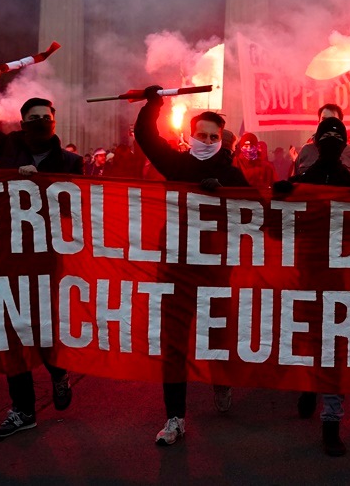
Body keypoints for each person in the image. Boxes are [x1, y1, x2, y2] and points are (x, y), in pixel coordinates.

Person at [0, 63, 84, 438]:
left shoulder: (70, 162)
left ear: (53, 120)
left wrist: (45, 188)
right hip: (3, 250)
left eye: (44, 117)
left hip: (44, 254)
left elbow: (74, 208)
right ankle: (22, 409)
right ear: (23, 122)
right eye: (32, 118)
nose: (39, 122)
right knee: (10, 329)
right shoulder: (7, 146)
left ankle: (57, 370)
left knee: (42, 325)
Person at [135, 85, 249, 446]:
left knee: (217, 332)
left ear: (221, 140)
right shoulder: (177, 164)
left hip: (215, 266)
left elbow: (258, 210)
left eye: (213, 136)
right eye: (201, 134)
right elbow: (144, 135)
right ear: (190, 136)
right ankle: (174, 417)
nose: (206, 140)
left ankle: (221, 378)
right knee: (174, 341)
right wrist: (154, 102)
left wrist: (227, 194)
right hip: (176, 265)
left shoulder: (231, 174)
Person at [274, 117, 350, 456]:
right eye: (326, 137)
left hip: (340, 281)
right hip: (306, 276)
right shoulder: (302, 181)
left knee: (334, 350)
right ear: (315, 143)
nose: (332, 142)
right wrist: (280, 197)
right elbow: (276, 231)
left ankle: (331, 421)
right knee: (306, 339)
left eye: (338, 137)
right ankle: (308, 386)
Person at [294, 104, 350, 176]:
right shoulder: (306, 151)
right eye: (324, 119)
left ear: (340, 123)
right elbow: (295, 182)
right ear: (318, 122)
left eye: (332, 120)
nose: (327, 123)